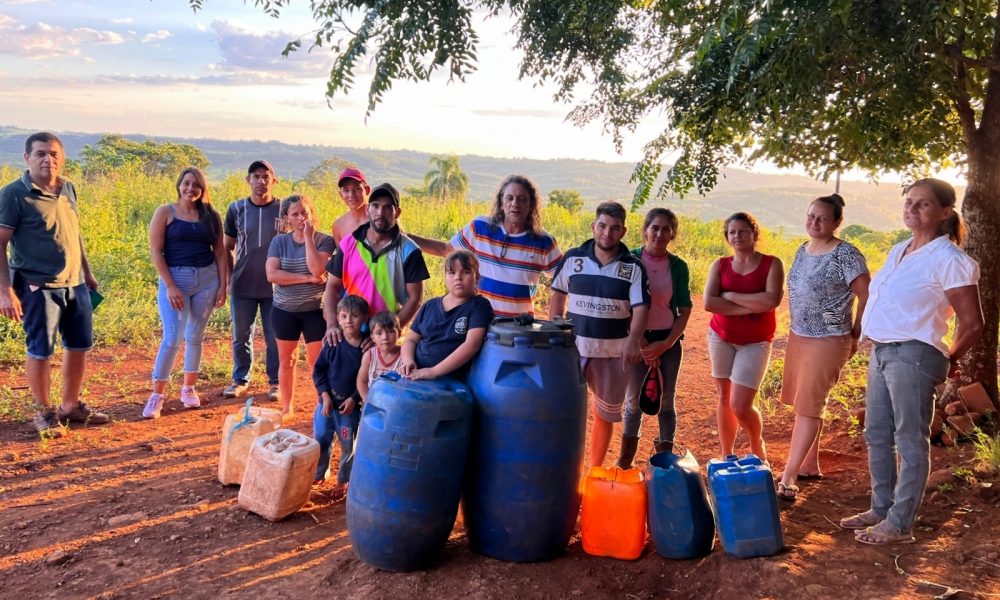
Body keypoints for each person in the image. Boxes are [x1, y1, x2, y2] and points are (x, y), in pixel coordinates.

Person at [841, 178, 983, 545]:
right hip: (884, 351)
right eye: (909, 202)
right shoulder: (901, 249)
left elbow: (972, 322)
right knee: (877, 433)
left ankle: (900, 523)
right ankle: (881, 507)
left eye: (922, 204)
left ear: (945, 212)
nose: (912, 209)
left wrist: (949, 358)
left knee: (908, 439)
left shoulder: (949, 260)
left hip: (914, 353)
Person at [0, 131, 108, 437]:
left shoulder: (68, 187)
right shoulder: (13, 194)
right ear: (27, 158)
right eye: (41, 154)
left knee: (79, 345)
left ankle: (70, 406)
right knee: (40, 350)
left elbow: (73, 233)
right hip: (37, 286)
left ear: (62, 158)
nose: (48, 159)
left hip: (75, 284)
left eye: (54, 154)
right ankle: (45, 412)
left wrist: (86, 272)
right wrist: (5, 290)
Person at [776, 194, 869, 500]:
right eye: (811, 216)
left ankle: (789, 477)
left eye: (823, 218)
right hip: (800, 334)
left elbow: (867, 295)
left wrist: (856, 332)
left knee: (809, 405)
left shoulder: (846, 255)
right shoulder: (803, 250)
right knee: (807, 402)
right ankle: (809, 464)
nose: (814, 222)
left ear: (837, 223)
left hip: (830, 338)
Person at [549, 202, 649, 469]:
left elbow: (641, 309)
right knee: (566, 410)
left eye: (615, 228)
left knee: (604, 414)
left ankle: (593, 471)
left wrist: (633, 342)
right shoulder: (573, 259)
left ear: (623, 231)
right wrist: (556, 333)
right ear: (594, 226)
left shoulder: (633, 267)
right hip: (573, 349)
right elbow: (558, 297)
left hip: (613, 353)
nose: (607, 233)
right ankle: (564, 468)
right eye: (603, 226)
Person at [408, 175, 562, 317]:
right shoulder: (480, 228)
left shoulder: (543, 241)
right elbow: (445, 250)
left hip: (519, 331)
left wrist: (556, 324)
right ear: (502, 202)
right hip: (479, 323)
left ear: (531, 205)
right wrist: (405, 237)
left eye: (522, 199)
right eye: (510, 198)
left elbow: (563, 279)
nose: (515, 204)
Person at [143, 167, 228, 419]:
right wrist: (169, 285)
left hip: (206, 279)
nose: (190, 189)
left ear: (203, 190)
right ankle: (157, 394)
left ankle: (189, 388)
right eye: (187, 183)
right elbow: (156, 252)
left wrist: (223, 285)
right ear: (179, 185)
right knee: (172, 337)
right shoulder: (165, 212)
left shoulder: (211, 216)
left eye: (196, 185)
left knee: (195, 336)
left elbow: (220, 251)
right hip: (176, 278)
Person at [704, 212, 784, 463]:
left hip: (756, 341)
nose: (737, 236)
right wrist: (752, 306)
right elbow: (709, 302)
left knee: (740, 404)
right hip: (721, 335)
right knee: (724, 397)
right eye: (732, 232)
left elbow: (772, 300)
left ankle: (755, 442)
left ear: (754, 233)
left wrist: (729, 296)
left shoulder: (772, 264)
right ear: (727, 237)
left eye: (743, 231)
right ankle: (727, 453)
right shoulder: (720, 265)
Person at [617, 208, 692, 468]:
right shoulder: (629, 260)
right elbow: (621, 303)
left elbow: (684, 309)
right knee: (633, 402)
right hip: (635, 339)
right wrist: (641, 343)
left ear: (672, 234)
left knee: (666, 401)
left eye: (666, 229)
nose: (659, 233)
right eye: (655, 228)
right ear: (645, 230)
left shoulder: (678, 267)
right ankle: (625, 463)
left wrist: (666, 344)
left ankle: (665, 463)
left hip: (667, 341)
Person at [322, 182, 429, 343]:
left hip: (385, 341)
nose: (380, 212)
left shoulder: (410, 250)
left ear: (397, 213)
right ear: (368, 209)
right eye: (376, 206)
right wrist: (332, 325)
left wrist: (385, 332)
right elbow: (332, 286)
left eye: (387, 207)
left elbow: (416, 299)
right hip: (349, 333)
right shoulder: (349, 243)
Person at [266, 195, 335, 415]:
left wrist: (308, 238)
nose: (301, 218)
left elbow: (317, 269)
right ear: (286, 218)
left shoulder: (324, 240)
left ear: (312, 213)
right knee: (287, 360)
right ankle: (287, 408)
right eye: (295, 214)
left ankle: (321, 407)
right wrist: (306, 279)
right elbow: (272, 274)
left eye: (304, 212)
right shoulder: (279, 242)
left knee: (317, 361)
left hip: (314, 311)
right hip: (284, 311)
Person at [223, 160, 281, 400]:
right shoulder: (236, 209)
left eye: (266, 176)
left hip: (275, 287)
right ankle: (240, 379)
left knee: (274, 337)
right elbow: (228, 247)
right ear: (248, 180)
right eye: (256, 176)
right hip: (243, 284)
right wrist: (229, 279)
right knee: (241, 336)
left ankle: (276, 382)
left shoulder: (283, 209)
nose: (261, 181)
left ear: (273, 181)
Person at [399, 250, 494, 381]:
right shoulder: (430, 305)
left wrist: (433, 372)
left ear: (476, 277)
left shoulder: (479, 306)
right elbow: (411, 339)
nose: (458, 277)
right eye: (452, 272)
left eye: (466, 272)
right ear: (445, 276)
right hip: (416, 374)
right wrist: (408, 361)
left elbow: (472, 345)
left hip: (451, 381)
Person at [312, 295, 369, 500]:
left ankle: (343, 480)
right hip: (326, 404)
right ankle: (319, 473)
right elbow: (318, 371)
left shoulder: (366, 350)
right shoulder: (332, 343)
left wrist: (355, 399)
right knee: (320, 439)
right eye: (344, 316)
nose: (349, 321)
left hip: (349, 409)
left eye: (354, 316)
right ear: (337, 317)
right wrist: (325, 396)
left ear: (364, 318)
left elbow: (367, 379)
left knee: (348, 446)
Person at [356, 310, 404, 400]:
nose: (385, 337)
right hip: (373, 406)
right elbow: (361, 381)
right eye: (379, 333)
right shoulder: (369, 355)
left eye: (390, 331)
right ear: (373, 337)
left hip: (395, 406)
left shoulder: (405, 356)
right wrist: (367, 401)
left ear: (399, 333)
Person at [331, 168, 370, 245]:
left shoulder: (381, 217)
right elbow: (341, 256)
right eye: (346, 190)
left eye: (357, 189)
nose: (351, 195)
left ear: (367, 190)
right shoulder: (338, 225)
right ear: (341, 195)